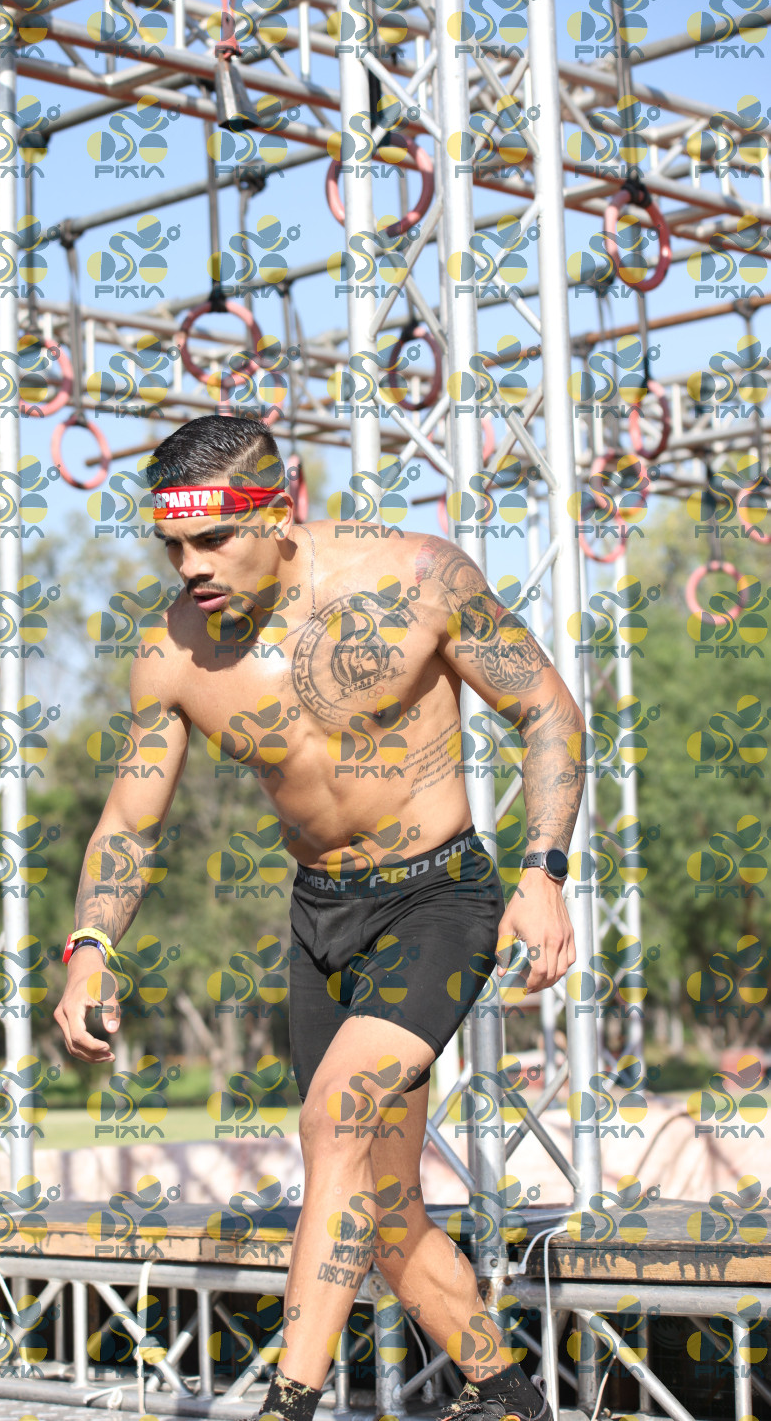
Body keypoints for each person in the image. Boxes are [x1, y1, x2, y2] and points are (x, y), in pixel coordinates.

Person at [54, 415, 584, 1421]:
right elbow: (129, 819)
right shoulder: (173, 650)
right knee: (382, 1212)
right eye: (172, 545)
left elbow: (548, 710)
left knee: (333, 1120)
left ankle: (288, 1405)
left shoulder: (416, 578)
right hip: (320, 920)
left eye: (214, 539)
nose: (191, 566)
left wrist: (544, 869)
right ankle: (513, 1400)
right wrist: (90, 948)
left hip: (439, 897)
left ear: (282, 505)